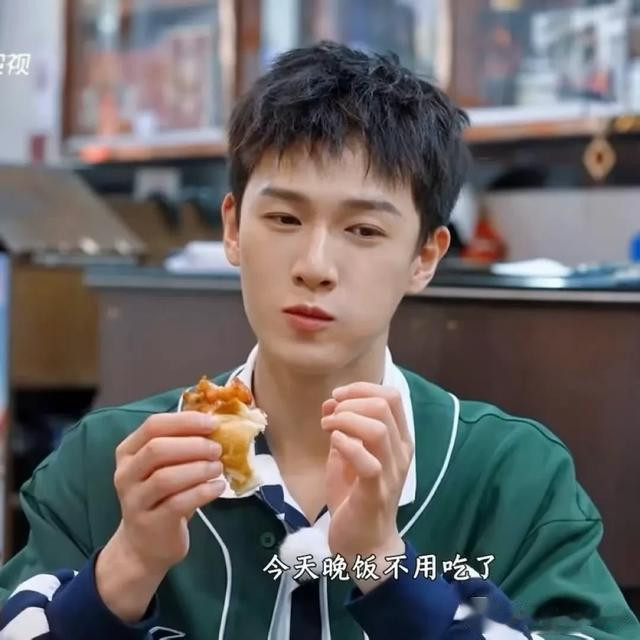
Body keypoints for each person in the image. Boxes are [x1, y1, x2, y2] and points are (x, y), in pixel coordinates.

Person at [0, 42, 638, 640]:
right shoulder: (107, 463)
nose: (315, 265)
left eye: (364, 230)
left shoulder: (508, 476)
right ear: (233, 228)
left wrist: (388, 568)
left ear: (425, 256)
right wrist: (127, 567)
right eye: (284, 218)